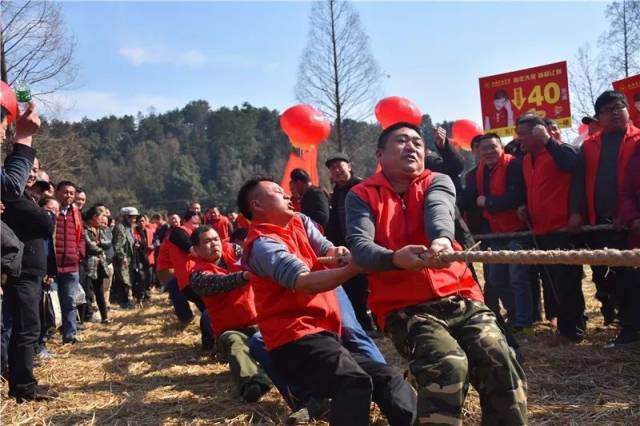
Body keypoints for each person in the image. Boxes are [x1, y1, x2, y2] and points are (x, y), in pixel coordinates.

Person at [346, 122, 527, 425]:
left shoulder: (438, 180)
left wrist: (442, 240)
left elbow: (438, 211)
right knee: (447, 364)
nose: (412, 147)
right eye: (402, 141)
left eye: (418, 142)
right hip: (404, 308)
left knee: (500, 357)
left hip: (460, 295)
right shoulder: (361, 194)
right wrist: (395, 259)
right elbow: (360, 246)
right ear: (380, 153)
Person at [239, 177, 416, 426]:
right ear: (257, 205)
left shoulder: (299, 222)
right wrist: (355, 266)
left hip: (324, 335)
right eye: (279, 192)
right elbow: (304, 281)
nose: (288, 195)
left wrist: (339, 253)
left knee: (387, 377)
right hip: (294, 341)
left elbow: (326, 248)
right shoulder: (262, 244)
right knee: (353, 381)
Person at [570, 90, 640, 347]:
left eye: (618, 107)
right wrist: (576, 213)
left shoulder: (638, 139)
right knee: (609, 278)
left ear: (628, 110)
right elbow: (578, 182)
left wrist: (631, 215)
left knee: (631, 278)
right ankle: (627, 325)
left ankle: (631, 329)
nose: (614, 113)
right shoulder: (590, 145)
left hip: (632, 224)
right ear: (598, 117)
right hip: (600, 222)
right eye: (607, 110)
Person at [517, 114, 585, 342]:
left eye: (524, 133)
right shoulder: (526, 159)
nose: (519, 138)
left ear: (539, 131)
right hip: (540, 229)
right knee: (552, 281)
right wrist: (524, 207)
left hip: (563, 228)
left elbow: (573, 165)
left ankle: (573, 329)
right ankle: (563, 326)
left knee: (568, 281)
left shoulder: (560, 150)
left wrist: (548, 141)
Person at [189, 225, 271, 402]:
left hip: (259, 321)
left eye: (216, 239)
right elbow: (218, 283)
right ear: (196, 249)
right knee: (236, 344)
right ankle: (252, 384)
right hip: (229, 330)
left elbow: (257, 258)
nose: (214, 244)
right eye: (207, 242)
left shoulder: (235, 250)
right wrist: (244, 276)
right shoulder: (197, 274)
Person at [464, 134, 532, 333]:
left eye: (492, 147)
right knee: (496, 279)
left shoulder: (514, 166)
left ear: (501, 147)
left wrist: (490, 203)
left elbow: (517, 195)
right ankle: (513, 315)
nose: (488, 152)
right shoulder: (479, 171)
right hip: (494, 233)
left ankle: (524, 321)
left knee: (518, 278)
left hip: (516, 230)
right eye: (484, 148)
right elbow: (471, 197)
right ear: (478, 151)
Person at [2, 157, 55, 402]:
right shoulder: (14, 197)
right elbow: (46, 223)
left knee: (28, 328)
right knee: (26, 329)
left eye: (35, 170)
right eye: (29, 169)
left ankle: (23, 383)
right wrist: (44, 215)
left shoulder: (25, 197)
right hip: (21, 273)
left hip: (31, 273)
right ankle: (23, 388)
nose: (33, 174)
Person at [324, 152, 375, 333]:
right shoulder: (336, 193)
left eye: (340, 166)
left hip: (369, 244)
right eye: (332, 168)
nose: (336, 170)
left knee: (372, 285)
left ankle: (381, 321)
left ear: (349, 166)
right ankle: (365, 325)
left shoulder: (362, 186)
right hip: (347, 248)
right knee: (354, 287)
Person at [167, 211, 214, 351]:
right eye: (194, 223)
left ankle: (210, 344)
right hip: (191, 281)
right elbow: (194, 251)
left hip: (194, 279)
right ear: (185, 221)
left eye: (199, 224)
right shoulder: (178, 233)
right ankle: (209, 346)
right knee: (210, 312)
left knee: (210, 311)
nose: (197, 226)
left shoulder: (192, 234)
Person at [54, 181, 85, 344]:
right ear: (57, 192)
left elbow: (81, 237)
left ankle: (69, 335)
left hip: (71, 265)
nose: (69, 196)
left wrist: (79, 253)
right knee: (50, 303)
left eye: (72, 193)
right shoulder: (51, 210)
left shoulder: (76, 213)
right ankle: (44, 337)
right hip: (52, 265)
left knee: (70, 301)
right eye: (65, 192)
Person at [83, 204, 113, 324]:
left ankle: (104, 317)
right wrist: (100, 247)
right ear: (94, 217)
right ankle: (87, 316)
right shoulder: (86, 229)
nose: (103, 219)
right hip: (89, 265)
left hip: (100, 264)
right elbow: (90, 246)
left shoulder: (100, 229)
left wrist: (100, 244)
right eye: (101, 216)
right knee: (88, 291)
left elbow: (108, 243)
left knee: (100, 291)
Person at [112, 207, 139, 309]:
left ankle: (126, 300)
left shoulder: (128, 228)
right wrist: (122, 257)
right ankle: (123, 302)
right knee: (123, 280)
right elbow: (118, 245)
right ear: (126, 217)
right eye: (132, 217)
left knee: (127, 280)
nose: (134, 220)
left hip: (129, 258)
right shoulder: (120, 228)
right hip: (122, 259)